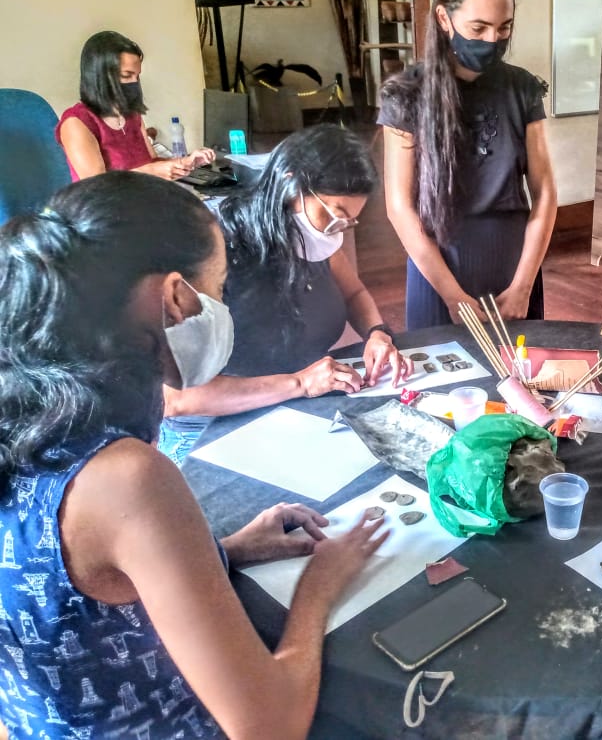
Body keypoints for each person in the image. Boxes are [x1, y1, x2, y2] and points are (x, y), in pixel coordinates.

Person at [0, 172, 389, 738]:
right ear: (177, 296)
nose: (223, 304)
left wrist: (221, 551)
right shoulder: (126, 477)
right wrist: (319, 587)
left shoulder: (29, 416)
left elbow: (78, 597)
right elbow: (270, 724)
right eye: (222, 287)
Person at [160, 124, 412, 464]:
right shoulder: (215, 251)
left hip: (294, 405)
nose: (335, 232)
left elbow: (353, 292)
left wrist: (377, 334)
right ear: (290, 184)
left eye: (348, 223)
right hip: (213, 427)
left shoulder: (314, 238)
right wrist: (299, 384)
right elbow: (176, 398)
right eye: (334, 215)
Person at [378, 0, 558, 330]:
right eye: (479, 28)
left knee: (520, 374)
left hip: (513, 261)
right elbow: (399, 206)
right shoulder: (405, 95)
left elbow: (544, 195)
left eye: (503, 27)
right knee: (441, 377)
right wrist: (450, 293)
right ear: (444, 19)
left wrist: (523, 286)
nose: (493, 40)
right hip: (437, 261)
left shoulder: (522, 89)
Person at [57, 30, 215, 181]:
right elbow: (98, 186)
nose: (134, 82)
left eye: (137, 75)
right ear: (99, 76)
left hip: (142, 198)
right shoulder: (77, 122)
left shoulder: (132, 114)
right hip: (105, 207)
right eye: (126, 75)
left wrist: (186, 163)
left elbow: (152, 162)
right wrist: (151, 172)